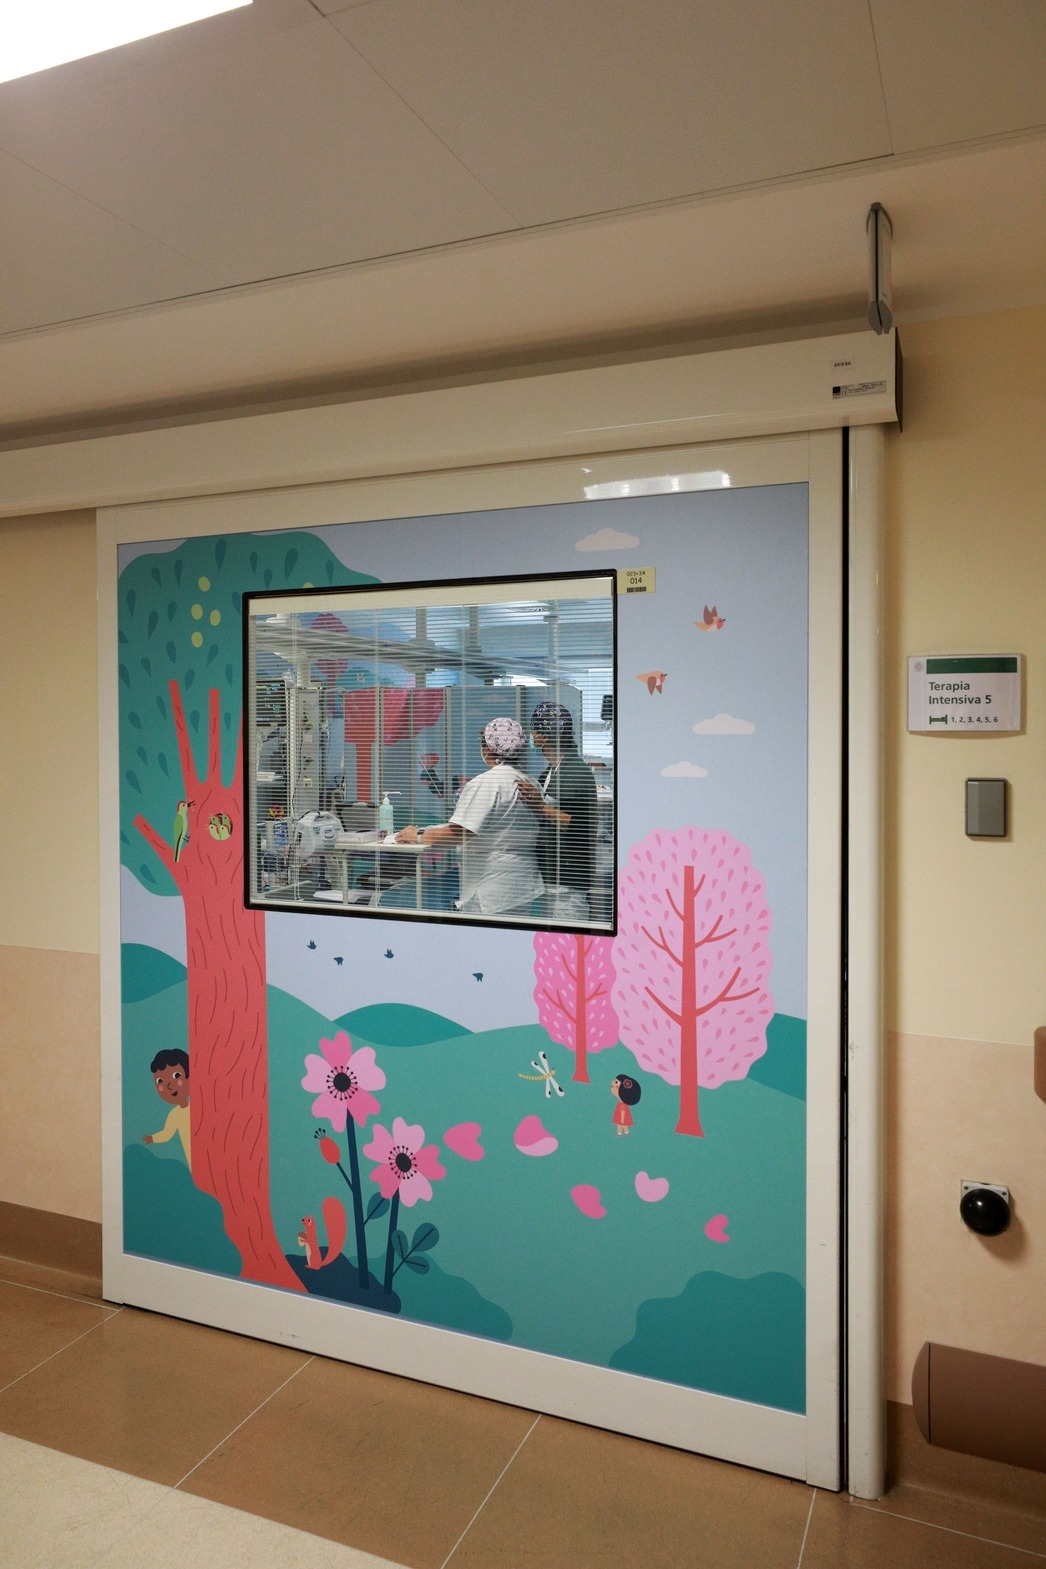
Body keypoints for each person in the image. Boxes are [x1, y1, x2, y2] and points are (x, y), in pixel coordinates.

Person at [398, 717, 543, 918]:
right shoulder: (529, 781)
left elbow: (459, 833)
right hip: (521, 884)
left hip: (492, 888)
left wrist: (417, 835)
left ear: (489, 749)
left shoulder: (487, 782)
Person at [518, 700, 597, 922]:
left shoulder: (575, 772)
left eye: (534, 729)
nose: (531, 735)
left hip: (567, 885)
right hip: (552, 879)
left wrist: (540, 806)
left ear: (546, 734)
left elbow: (579, 824)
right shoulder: (550, 772)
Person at [143, 1048, 191, 1169]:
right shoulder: (174, 1115)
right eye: (160, 1081)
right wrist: (152, 1138)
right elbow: (167, 1133)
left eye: (176, 1075)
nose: (168, 1085)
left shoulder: (199, 1106)